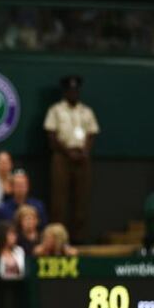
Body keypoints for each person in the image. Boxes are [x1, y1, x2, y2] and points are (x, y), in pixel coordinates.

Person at [44, 75, 99, 243]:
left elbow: (92, 133)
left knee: (81, 199)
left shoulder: (87, 111)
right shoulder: (56, 110)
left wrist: (84, 151)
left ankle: (79, 239)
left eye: (75, 91)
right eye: (70, 91)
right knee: (59, 200)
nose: (73, 93)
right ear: (65, 92)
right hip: (62, 156)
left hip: (82, 157)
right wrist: (67, 152)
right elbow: (51, 135)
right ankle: (58, 239)